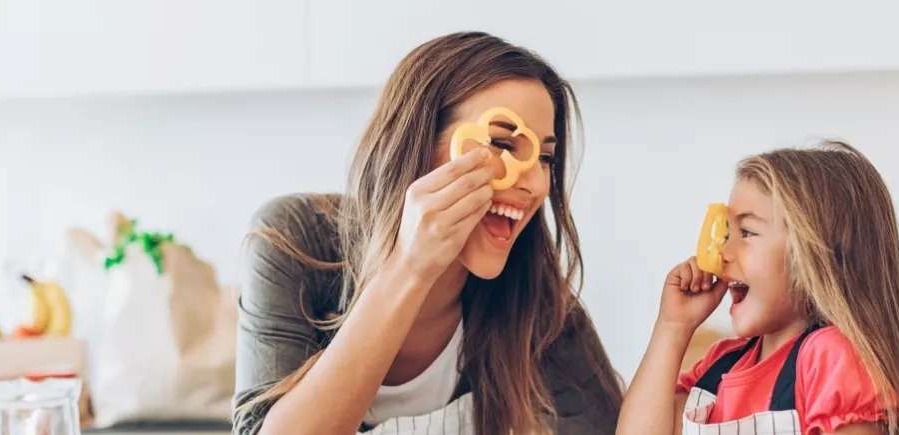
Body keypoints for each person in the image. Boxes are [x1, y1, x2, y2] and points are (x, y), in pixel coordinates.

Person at [230, 31, 623, 435]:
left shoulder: (533, 302)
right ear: (415, 142)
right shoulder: (295, 238)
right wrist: (410, 267)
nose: (536, 184)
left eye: (545, 157)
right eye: (503, 144)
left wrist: (671, 329)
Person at [617, 142, 899, 435]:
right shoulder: (719, 367)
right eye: (727, 234)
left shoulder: (831, 359)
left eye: (747, 232)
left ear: (817, 255)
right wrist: (673, 327)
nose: (723, 254)